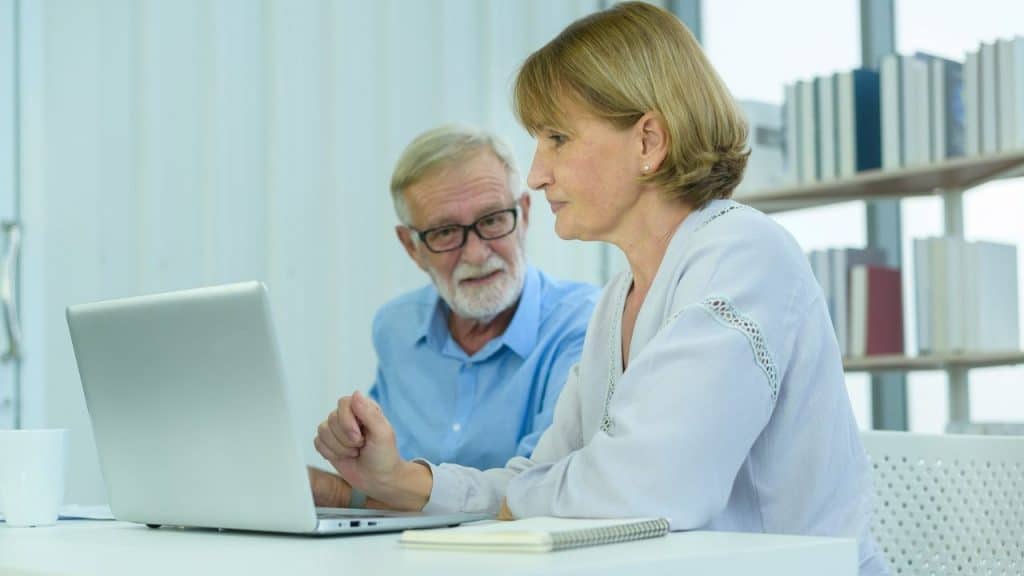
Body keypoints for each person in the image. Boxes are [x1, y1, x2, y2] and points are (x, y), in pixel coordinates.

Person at [312, 3, 887, 574]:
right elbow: (535, 481)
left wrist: (528, 494)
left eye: (557, 138)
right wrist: (397, 481)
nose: (537, 174)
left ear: (648, 142)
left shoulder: (743, 255)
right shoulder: (618, 300)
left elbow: (651, 490)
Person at [309, 125, 599, 506]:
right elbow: (380, 477)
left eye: (493, 219)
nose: (476, 254)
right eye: (445, 232)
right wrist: (350, 458)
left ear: (524, 214)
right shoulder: (396, 328)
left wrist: (349, 493)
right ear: (412, 247)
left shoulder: (584, 323)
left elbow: (541, 493)